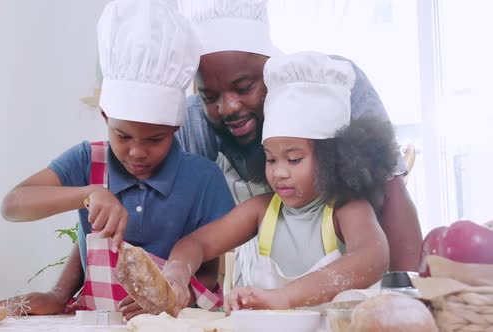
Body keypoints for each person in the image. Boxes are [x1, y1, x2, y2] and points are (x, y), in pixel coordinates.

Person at [0, 0, 234, 320]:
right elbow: (13, 204)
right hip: (97, 323)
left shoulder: (202, 178)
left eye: (155, 140)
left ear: (176, 127)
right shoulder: (86, 162)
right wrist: (86, 194)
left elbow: (207, 267)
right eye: (122, 135)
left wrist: (175, 299)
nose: (137, 152)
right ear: (105, 116)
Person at [175, 0, 422, 275]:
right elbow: (191, 234)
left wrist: (408, 298)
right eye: (210, 96)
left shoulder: (333, 87)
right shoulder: (194, 122)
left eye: (244, 87)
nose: (228, 107)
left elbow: (389, 204)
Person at [163, 51, 398, 314]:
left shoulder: (346, 209)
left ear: (334, 159)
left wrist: (285, 297)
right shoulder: (262, 211)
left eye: (294, 159)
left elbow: (371, 258)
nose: (279, 173)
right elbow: (196, 244)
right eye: (271, 159)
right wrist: (176, 274)